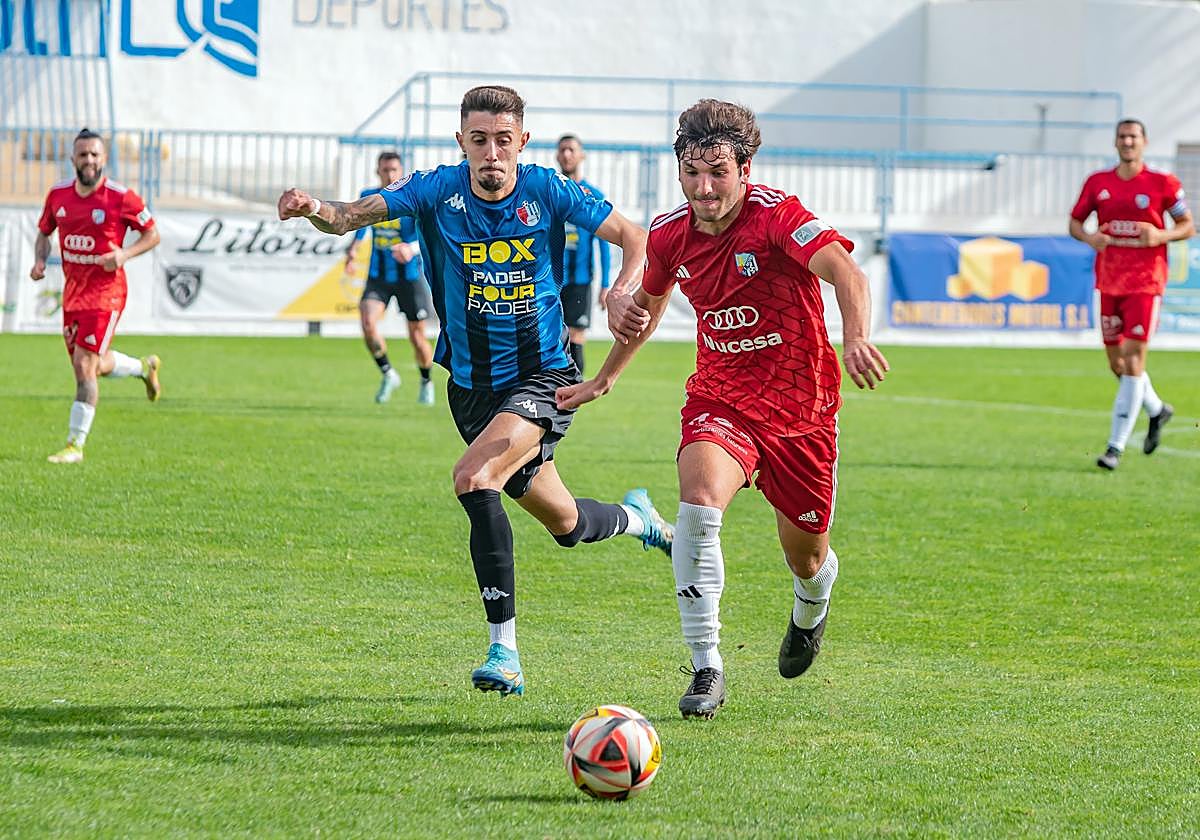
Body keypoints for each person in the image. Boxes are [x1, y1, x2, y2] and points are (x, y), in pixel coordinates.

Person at [278, 85, 673, 698]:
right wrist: (311, 208)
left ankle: (504, 651)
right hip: (470, 389)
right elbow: (348, 216)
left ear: (523, 142)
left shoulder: (547, 189)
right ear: (461, 140)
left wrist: (623, 290)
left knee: (473, 478)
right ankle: (637, 519)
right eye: (480, 139)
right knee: (566, 523)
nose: (492, 152)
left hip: (544, 376)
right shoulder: (436, 191)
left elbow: (634, 236)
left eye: (503, 140)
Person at [559, 99, 890, 720]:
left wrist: (855, 337)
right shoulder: (669, 234)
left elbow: (846, 273)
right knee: (699, 498)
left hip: (802, 410)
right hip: (722, 398)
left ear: (744, 168)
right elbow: (648, 308)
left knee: (807, 555)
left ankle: (811, 603)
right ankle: (707, 664)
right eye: (692, 171)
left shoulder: (777, 219)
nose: (703, 187)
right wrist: (605, 377)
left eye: (718, 172)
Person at [30, 128, 162, 464]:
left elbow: (152, 235)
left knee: (83, 365)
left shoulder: (121, 197)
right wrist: (40, 259)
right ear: (73, 159)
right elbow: (44, 232)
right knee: (93, 365)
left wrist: (124, 255)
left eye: (95, 155)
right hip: (74, 293)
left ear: (104, 159)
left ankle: (75, 445)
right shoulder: (58, 196)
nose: (89, 160)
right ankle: (143, 368)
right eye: (83, 154)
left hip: (107, 292)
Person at [1069, 118, 1193, 470]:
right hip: (1109, 281)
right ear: (1115, 143)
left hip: (1145, 282)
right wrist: (1089, 237)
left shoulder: (1161, 183)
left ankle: (1115, 448)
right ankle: (1156, 409)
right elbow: (1075, 222)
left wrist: (1160, 235)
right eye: (1122, 136)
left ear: (1144, 142)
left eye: (1133, 137)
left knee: (1135, 360)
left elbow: (1187, 225)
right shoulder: (1098, 183)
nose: (1127, 142)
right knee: (1117, 364)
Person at [344, 151, 437, 405]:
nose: (390, 175)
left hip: (409, 276)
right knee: (367, 323)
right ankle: (388, 373)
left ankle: (426, 380)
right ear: (378, 172)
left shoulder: (411, 198)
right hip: (379, 276)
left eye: (394, 170)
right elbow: (360, 228)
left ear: (401, 170)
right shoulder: (369, 197)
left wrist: (411, 248)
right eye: (385, 170)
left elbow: (429, 233)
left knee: (417, 338)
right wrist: (352, 251)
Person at [555, 134, 612, 373]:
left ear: (581, 155)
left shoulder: (593, 195)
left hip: (581, 280)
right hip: (553, 281)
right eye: (563, 150)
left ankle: (575, 393)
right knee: (553, 336)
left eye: (571, 149)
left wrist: (606, 284)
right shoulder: (552, 190)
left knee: (577, 335)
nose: (567, 154)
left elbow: (604, 243)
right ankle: (551, 390)